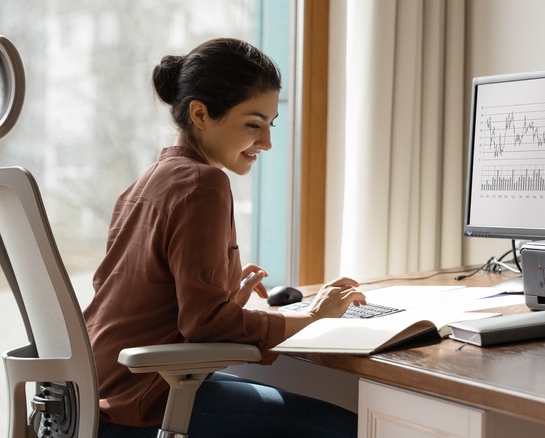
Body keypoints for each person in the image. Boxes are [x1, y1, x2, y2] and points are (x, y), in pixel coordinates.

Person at [84, 37, 366, 438]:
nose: (267, 142)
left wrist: (226, 298)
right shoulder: (204, 183)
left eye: (271, 124)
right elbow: (206, 326)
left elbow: (148, 304)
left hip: (102, 395)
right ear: (200, 113)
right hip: (145, 405)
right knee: (356, 427)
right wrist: (312, 318)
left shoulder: (147, 181)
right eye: (253, 124)